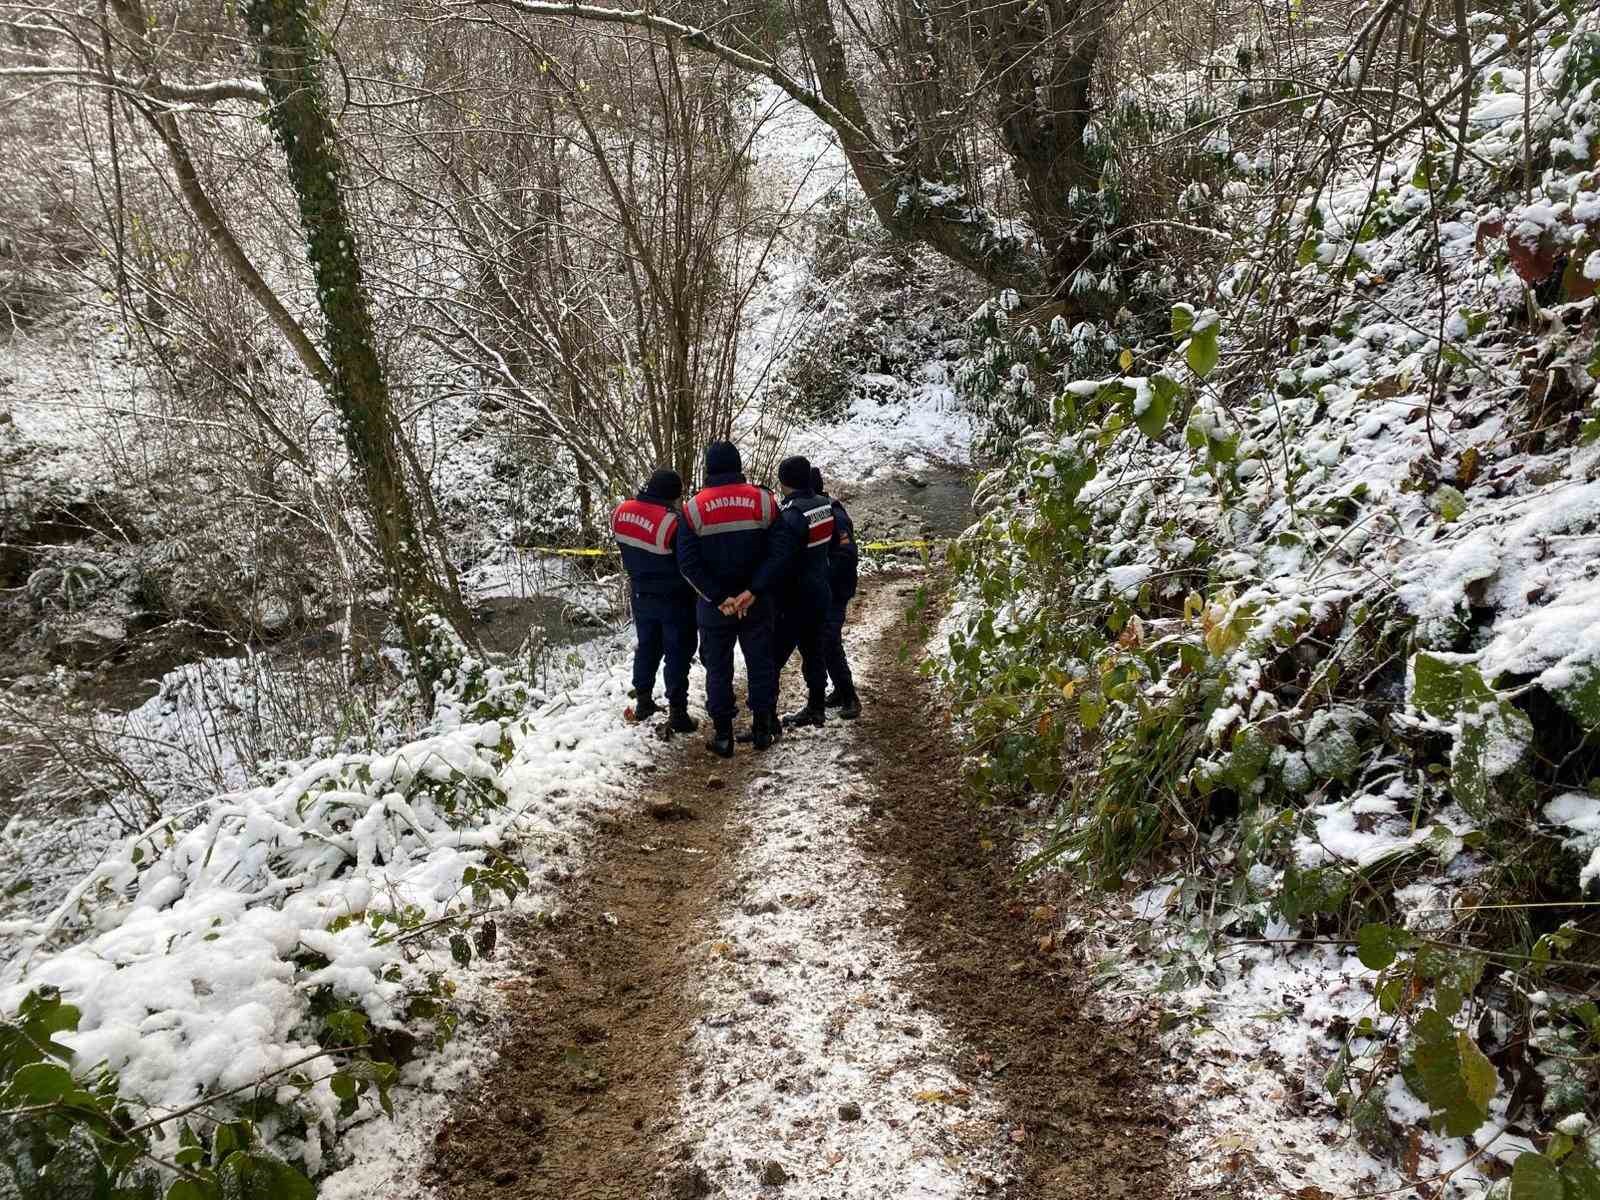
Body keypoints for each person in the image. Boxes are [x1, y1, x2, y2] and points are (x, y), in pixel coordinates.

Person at [676, 441, 781, 757]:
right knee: (761, 664)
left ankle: (724, 736)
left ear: (708, 469)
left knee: (718, 670)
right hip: (757, 602)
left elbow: (687, 563)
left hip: (714, 608)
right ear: (738, 466)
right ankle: (763, 730)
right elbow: (779, 554)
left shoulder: (692, 509)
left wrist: (720, 598)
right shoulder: (764, 502)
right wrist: (754, 590)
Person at [726, 455, 833, 730]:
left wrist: (756, 588)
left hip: (794, 597)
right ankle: (817, 707)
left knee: (771, 659)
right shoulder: (823, 504)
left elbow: (779, 559)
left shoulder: (791, 516)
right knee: (814, 652)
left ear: (783, 482)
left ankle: (767, 718)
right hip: (820, 589)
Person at [611, 469, 698, 733]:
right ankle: (678, 712)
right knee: (677, 652)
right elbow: (687, 563)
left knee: (647, 646)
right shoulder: (673, 523)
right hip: (674, 598)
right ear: (673, 496)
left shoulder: (621, 512)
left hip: (639, 592)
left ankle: (644, 701)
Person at [811, 466, 861, 719]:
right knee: (822, 641)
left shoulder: (833, 513)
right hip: (824, 588)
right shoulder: (817, 511)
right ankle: (840, 690)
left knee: (829, 640)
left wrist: (822, 572)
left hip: (836, 588)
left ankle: (850, 696)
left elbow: (846, 554)